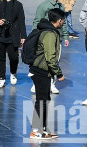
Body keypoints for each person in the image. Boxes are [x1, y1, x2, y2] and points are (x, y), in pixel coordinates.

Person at [29, 8, 66, 140]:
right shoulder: (50, 34)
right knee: (41, 100)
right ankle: (36, 131)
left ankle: (42, 128)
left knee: (44, 99)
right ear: (59, 20)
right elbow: (50, 57)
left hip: (42, 70)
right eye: (63, 20)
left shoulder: (48, 30)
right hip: (41, 70)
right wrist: (59, 73)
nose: (63, 23)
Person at [31, 0, 69, 94]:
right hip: (45, 38)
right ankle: (36, 83)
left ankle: (52, 83)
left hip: (58, 37)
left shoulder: (61, 6)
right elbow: (36, 22)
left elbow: (64, 23)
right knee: (43, 60)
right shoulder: (43, 6)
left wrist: (65, 36)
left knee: (55, 59)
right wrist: (34, 37)